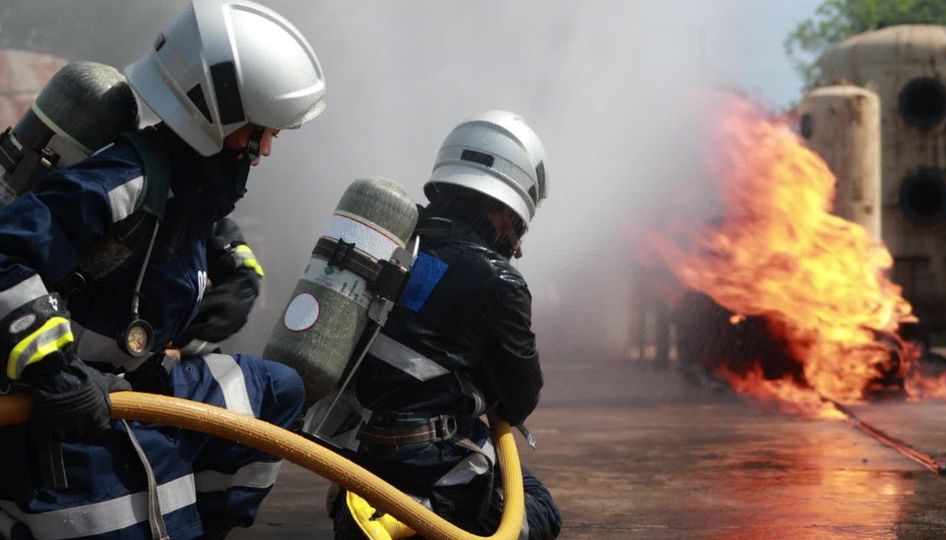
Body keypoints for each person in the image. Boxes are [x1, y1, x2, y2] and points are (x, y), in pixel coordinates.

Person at [0, 1, 326, 538]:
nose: (266, 149)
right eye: (257, 132)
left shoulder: (186, 182)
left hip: (135, 384)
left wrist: (242, 276)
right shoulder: (121, 179)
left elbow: (213, 234)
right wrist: (55, 373)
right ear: (211, 113)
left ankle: (198, 517)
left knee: (276, 389)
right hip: (67, 405)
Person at [330, 111, 562, 540]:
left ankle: (377, 514)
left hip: (358, 455)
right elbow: (521, 397)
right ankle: (424, 515)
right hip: (427, 459)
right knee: (540, 507)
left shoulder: (397, 238)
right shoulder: (499, 279)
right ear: (507, 209)